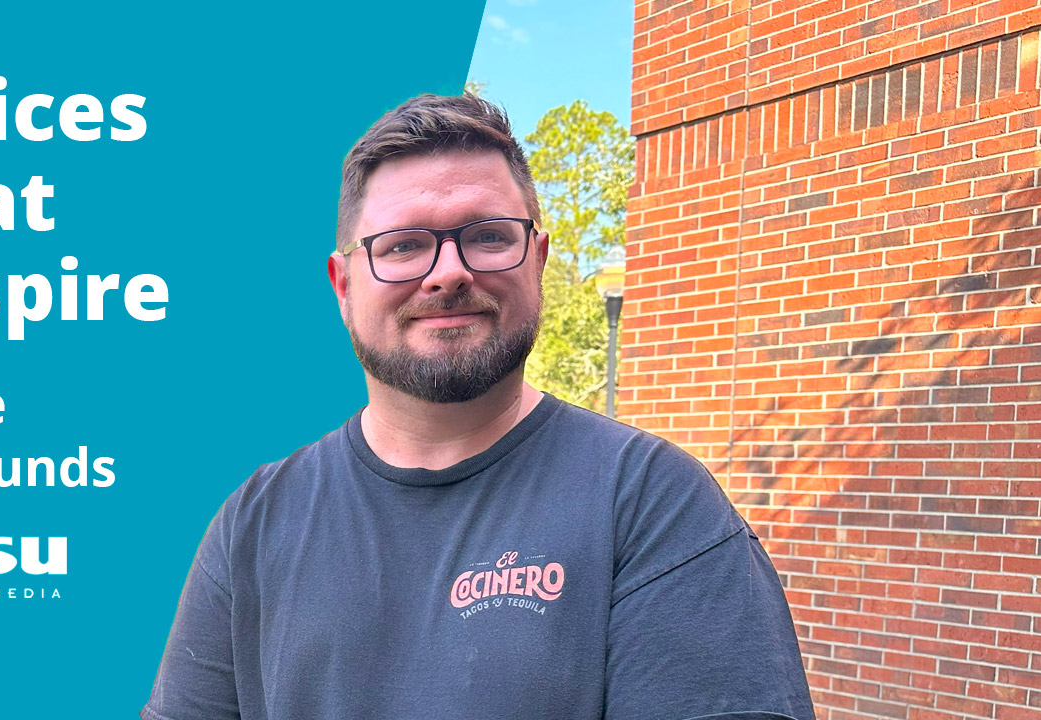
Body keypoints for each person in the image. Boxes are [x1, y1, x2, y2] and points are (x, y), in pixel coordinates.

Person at [141, 94, 815, 720]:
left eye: (488, 236)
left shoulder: (652, 506)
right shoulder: (254, 524)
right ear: (343, 285)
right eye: (402, 245)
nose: (448, 271)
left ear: (538, 259)